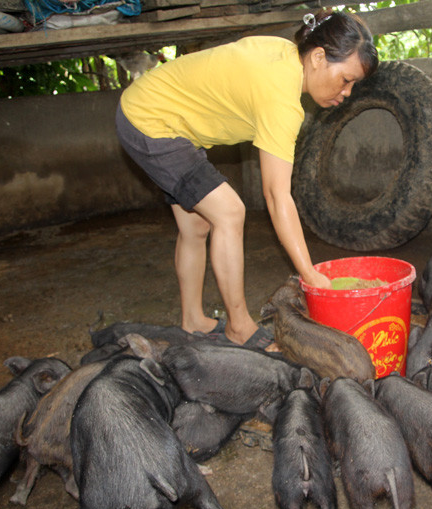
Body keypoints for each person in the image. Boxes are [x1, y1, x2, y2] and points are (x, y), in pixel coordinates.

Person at [115, 9, 379, 350]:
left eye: (354, 84)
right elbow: (277, 195)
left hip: (155, 112)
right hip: (151, 120)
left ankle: (193, 320)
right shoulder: (280, 96)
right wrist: (310, 274)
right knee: (229, 211)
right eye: (345, 79)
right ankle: (239, 326)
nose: (348, 92)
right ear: (317, 58)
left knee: (197, 224)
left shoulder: (283, 55)